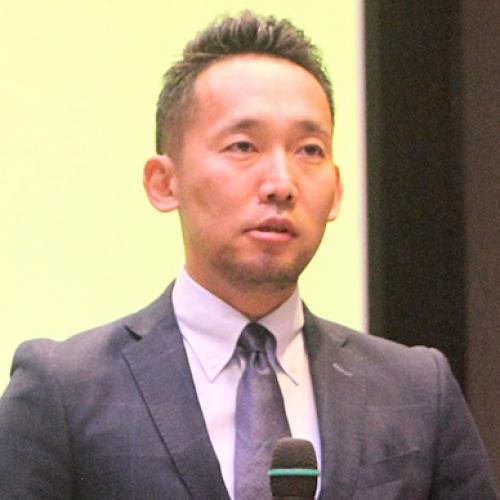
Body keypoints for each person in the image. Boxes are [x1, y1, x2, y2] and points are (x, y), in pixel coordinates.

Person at [0, 11, 497, 500]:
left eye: (309, 150)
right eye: (243, 146)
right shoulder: (65, 392)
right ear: (164, 182)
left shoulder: (416, 390)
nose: (281, 183)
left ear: (337, 192)